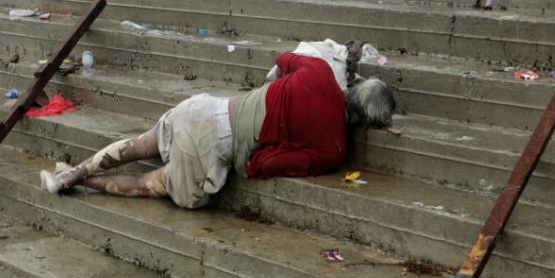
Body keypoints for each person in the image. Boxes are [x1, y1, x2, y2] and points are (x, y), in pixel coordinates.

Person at [39, 54, 396, 208]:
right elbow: (266, 166)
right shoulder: (334, 147)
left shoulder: (318, 70)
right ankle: (82, 183)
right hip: (210, 146)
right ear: (363, 122)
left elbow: (284, 58)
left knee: (137, 145)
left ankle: (73, 173)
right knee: (152, 181)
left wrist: (284, 86)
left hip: (204, 106)